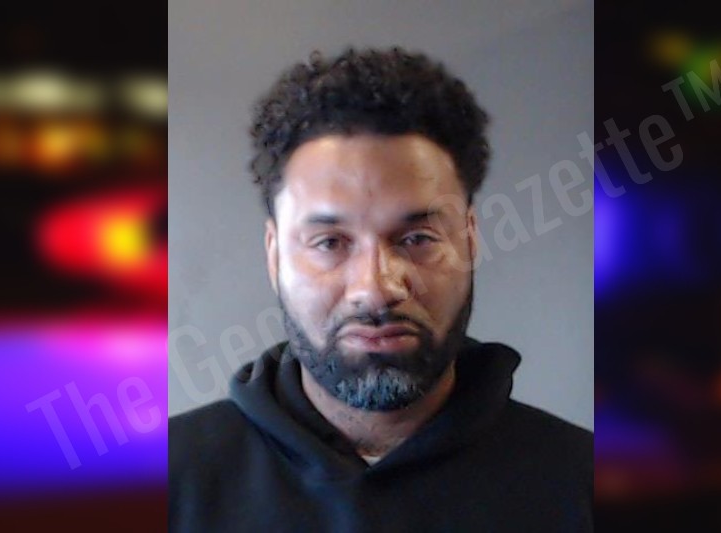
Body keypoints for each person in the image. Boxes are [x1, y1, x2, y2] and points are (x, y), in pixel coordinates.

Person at [169, 46, 592, 532]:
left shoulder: (585, 484)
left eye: (417, 238)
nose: (375, 289)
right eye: (330, 242)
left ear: (471, 238)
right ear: (274, 254)